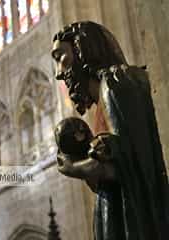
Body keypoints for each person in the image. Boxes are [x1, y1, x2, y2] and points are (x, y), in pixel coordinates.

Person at [51, 21, 169, 240]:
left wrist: (73, 166)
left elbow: (128, 164)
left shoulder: (115, 83)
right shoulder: (102, 104)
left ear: (82, 50)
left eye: (60, 57)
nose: (59, 73)